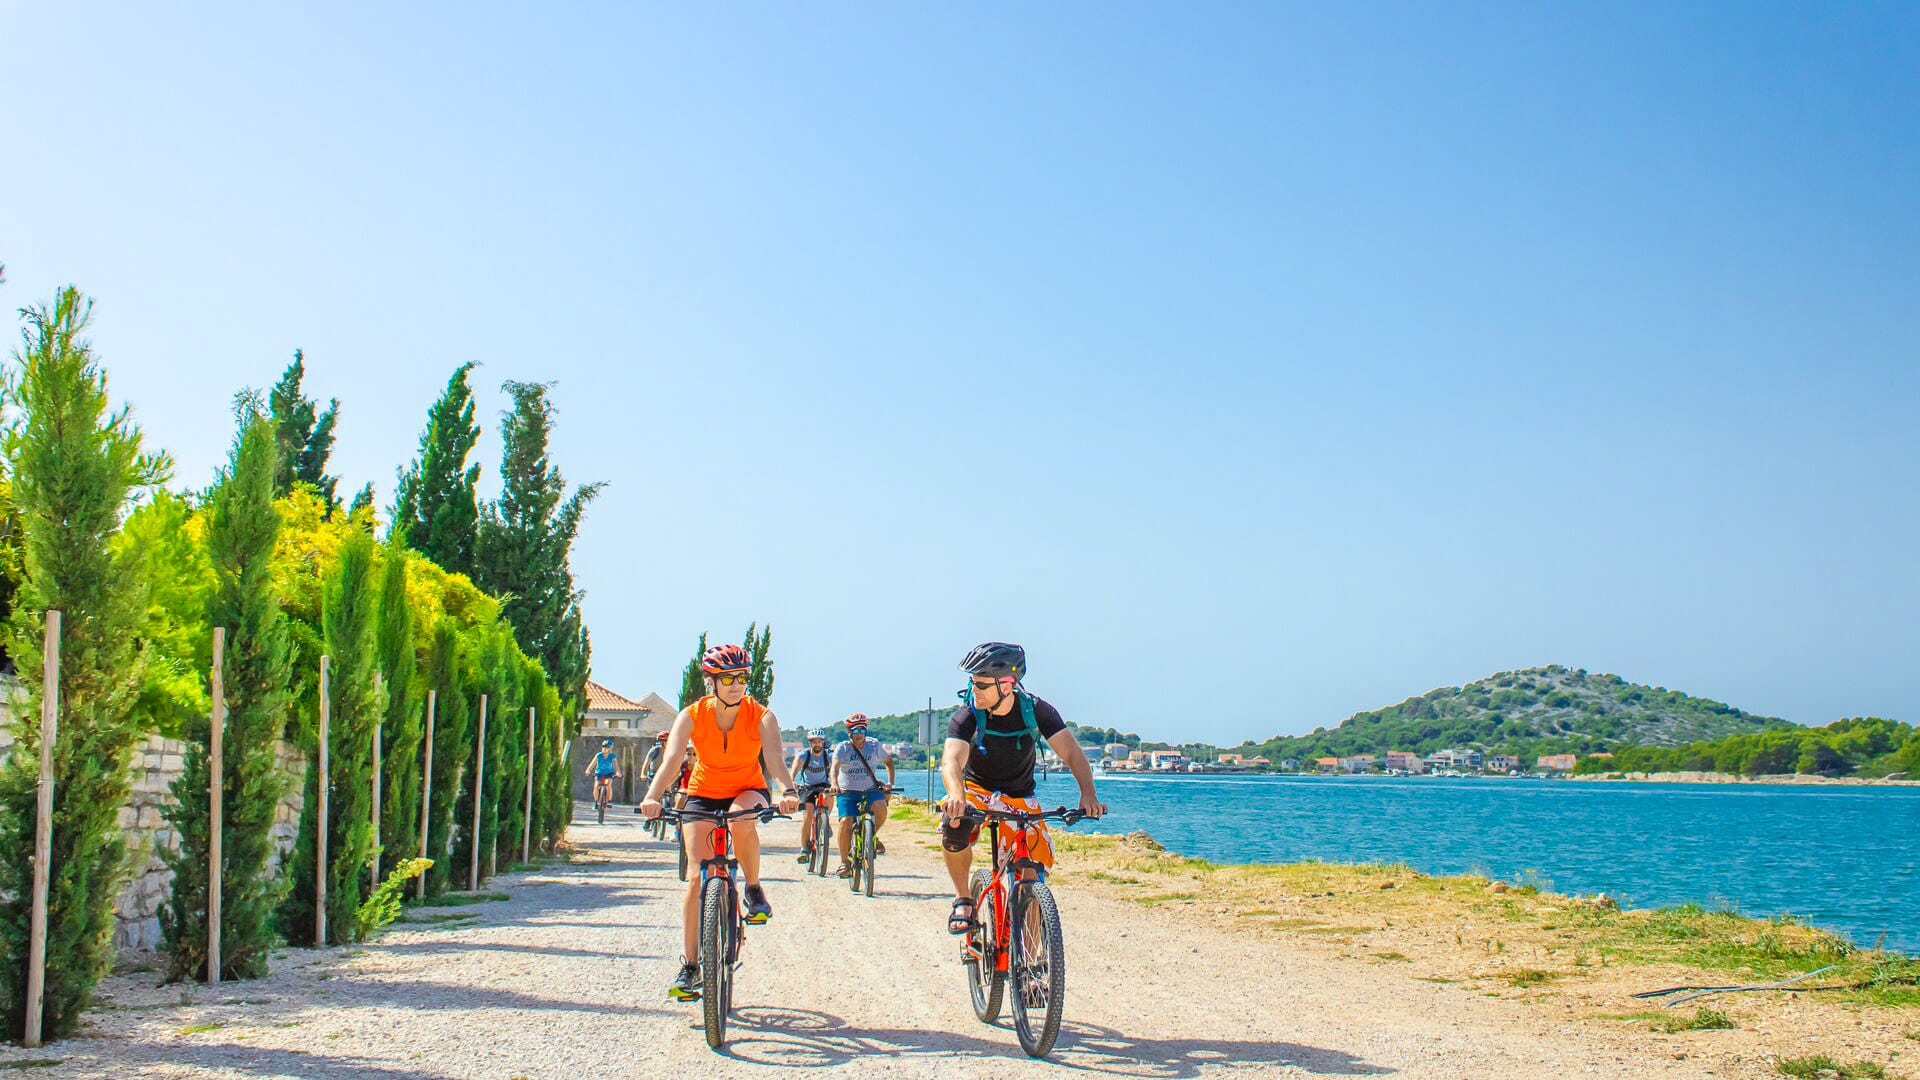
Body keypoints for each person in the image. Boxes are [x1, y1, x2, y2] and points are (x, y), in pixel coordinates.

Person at [640, 643, 799, 1001]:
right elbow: (672, 759)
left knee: (741, 820)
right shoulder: (692, 714)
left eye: (742, 677)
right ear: (711, 681)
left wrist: (788, 791)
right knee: (697, 878)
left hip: (747, 789)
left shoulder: (761, 716)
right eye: (727, 678)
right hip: (703, 792)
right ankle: (691, 967)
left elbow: (773, 758)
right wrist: (652, 796)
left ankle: (754, 888)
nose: (736, 684)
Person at [938, 642, 1105, 935]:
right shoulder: (967, 715)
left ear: (1007, 684)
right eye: (972, 682)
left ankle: (1032, 967)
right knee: (954, 825)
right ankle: (963, 898)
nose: (973, 689)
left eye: (981, 684)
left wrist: (1088, 794)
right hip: (977, 791)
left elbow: (1072, 752)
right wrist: (956, 795)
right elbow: (951, 760)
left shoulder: (1037, 711)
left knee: (1031, 875)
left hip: (1021, 798)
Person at [831, 713, 895, 877]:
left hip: (870, 789)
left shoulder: (874, 745)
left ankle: (871, 836)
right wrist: (834, 784)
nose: (859, 733)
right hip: (847, 791)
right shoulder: (843, 747)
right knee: (845, 822)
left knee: (881, 808)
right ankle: (844, 862)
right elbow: (835, 767)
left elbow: (888, 763)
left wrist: (890, 783)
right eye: (855, 729)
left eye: (862, 729)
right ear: (849, 732)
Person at [790, 729, 833, 865]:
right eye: (814, 741)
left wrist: (836, 781)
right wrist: (792, 782)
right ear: (810, 743)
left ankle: (825, 819)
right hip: (807, 787)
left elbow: (837, 769)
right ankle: (804, 849)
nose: (817, 744)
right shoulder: (803, 755)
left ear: (823, 742)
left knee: (829, 795)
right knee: (808, 816)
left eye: (819, 741)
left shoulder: (828, 755)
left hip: (823, 784)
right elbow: (794, 772)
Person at [585, 739, 621, 808]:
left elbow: (616, 765)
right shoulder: (599, 755)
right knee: (596, 785)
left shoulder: (612, 756)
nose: (604, 749)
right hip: (599, 773)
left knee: (609, 783)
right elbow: (592, 764)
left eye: (606, 747)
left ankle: (609, 801)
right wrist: (588, 770)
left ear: (610, 749)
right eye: (603, 747)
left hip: (608, 774)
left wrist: (618, 772)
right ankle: (596, 802)